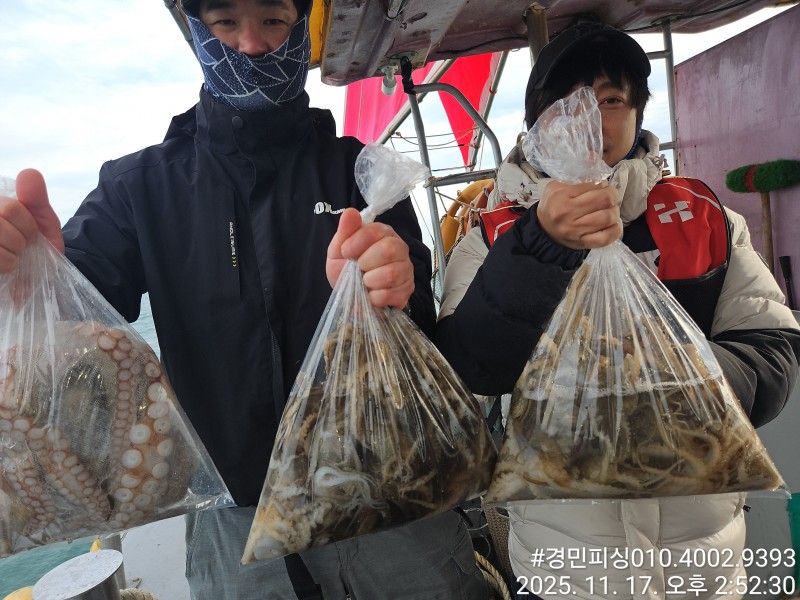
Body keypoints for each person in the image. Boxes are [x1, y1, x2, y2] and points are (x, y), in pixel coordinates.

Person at [0, 0, 488, 598]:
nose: (251, 45)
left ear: (302, 32)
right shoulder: (138, 187)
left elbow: (420, 327)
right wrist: (36, 283)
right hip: (232, 513)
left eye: (273, 21)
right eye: (226, 22)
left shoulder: (363, 173)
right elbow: (78, 317)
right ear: (198, 34)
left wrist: (397, 281)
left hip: (392, 488)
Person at [434, 21, 800, 600]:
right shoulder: (491, 237)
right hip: (565, 567)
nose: (590, 120)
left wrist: (677, 377)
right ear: (536, 123)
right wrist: (540, 246)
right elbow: (470, 369)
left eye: (610, 101)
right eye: (566, 102)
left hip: (704, 563)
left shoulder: (705, 218)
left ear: (638, 113)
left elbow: (774, 355)